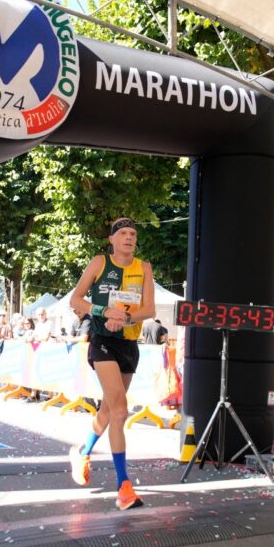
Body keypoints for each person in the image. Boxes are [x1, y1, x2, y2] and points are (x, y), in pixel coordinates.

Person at [68, 217, 156, 511]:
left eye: (133, 233)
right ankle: (124, 487)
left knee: (107, 410)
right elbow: (75, 300)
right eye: (123, 234)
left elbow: (149, 309)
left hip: (129, 344)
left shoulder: (143, 268)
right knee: (120, 411)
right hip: (102, 342)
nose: (129, 238)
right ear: (112, 240)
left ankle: (83, 451)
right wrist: (104, 311)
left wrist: (126, 318)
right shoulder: (99, 262)